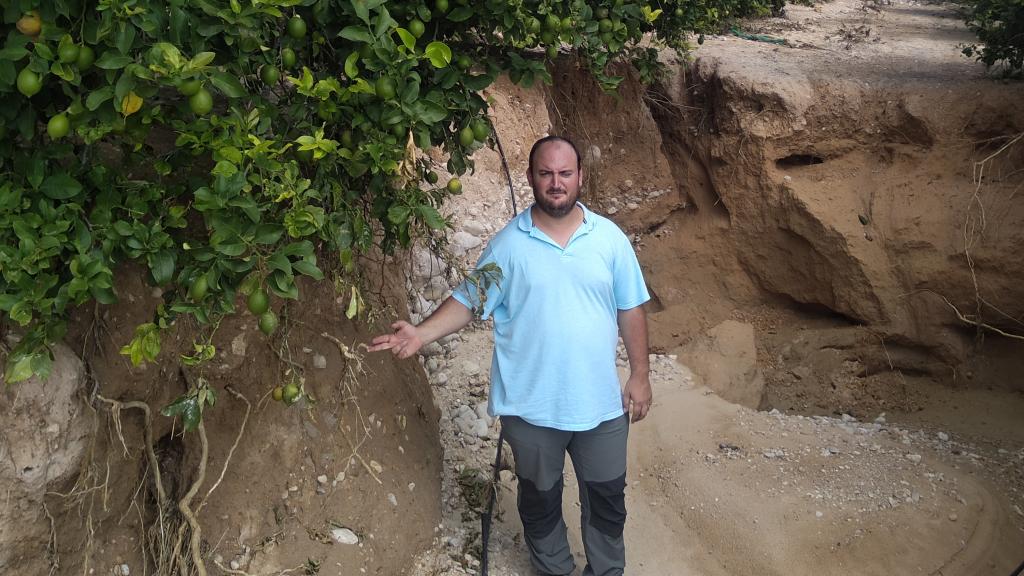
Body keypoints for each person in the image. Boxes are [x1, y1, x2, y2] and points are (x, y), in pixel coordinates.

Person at [369, 136, 651, 576]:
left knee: (608, 502)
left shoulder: (609, 240)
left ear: (580, 176)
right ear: (531, 178)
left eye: (565, 173)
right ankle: (554, 569)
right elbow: (470, 300)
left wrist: (640, 375)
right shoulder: (508, 246)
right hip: (530, 407)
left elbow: (630, 308)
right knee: (540, 501)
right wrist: (421, 334)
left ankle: (606, 571)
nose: (556, 182)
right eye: (546, 173)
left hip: (599, 405)